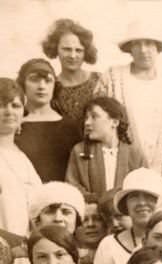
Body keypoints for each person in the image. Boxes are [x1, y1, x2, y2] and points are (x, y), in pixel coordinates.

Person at [101, 24, 162, 180]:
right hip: (124, 169)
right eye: (137, 44)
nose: (143, 50)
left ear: (157, 47)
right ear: (130, 48)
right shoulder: (113, 77)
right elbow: (99, 120)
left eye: (148, 43)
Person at [91, 167, 162, 264]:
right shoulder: (109, 245)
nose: (142, 202)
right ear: (126, 204)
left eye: (149, 196)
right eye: (134, 197)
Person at [66, 96, 147, 203]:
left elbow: (144, 186)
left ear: (114, 122)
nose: (87, 123)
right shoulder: (79, 151)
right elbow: (72, 186)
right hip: (92, 214)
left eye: (94, 117)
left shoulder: (134, 153)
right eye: (86, 118)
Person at [15, 59, 79, 183]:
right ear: (22, 85)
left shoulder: (70, 127)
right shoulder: (14, 127)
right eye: (34, 80)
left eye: (48, 81)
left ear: (54, 86)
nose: (42, 86)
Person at [43, 18, 105, 136]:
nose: (73, 55)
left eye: (78, 50)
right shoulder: (50, 86)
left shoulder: (99, 80)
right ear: (56, 49)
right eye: (66, 49)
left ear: (86, 53)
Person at [0, 78, 43, 238]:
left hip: (26, 251)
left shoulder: (22, 156)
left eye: (15, 106)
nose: (9, 111)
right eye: (1, 105)